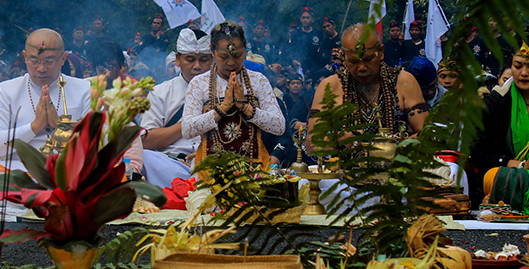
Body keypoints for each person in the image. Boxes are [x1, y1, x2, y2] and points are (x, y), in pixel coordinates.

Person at [306, 24, 427, 155]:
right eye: (353, 61)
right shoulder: (330, 87)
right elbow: (311, 144)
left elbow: (427, 135)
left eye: (368, 59)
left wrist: (397, 146)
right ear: (344, 57)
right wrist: (338, 139)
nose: (362, 67)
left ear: (381, 52)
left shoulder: (403, 82)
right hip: (346, 172)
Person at [0, 28, 91, 172]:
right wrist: (34, 127)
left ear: (63, 59)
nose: (41, 68)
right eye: (34, 61)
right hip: (19, 172)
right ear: (25, 57)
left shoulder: (84, 90)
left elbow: (101, 144)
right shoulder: (8, 92)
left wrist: (59, 126)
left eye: (49, 61)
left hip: (69, 171)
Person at [473, 26, 529, 218]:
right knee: (500, 178)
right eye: (518, 66)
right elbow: (478, 152)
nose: (524, 73)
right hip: (511, 176)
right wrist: (520, 164)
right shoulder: (495, 103)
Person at [182, 21, 285, 167]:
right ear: (212, 51)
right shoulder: (199, 83)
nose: (231, 62)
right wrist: (223, 108)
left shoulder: (258, 80)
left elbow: (279, 126)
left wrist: (246, 107)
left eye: (237, 55)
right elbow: (187, 130)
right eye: (224, 57)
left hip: (254, 169)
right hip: (210, 169)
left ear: (245, 49)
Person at [141, 28, 212, 187]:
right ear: (178, 59)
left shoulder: (224, 92)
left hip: (212, 166)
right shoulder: (161, 92)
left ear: (213, 59)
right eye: (190, 59)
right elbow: (146, 140)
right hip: (172, 166)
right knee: (144, 156)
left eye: (204, 59)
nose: (197, 66)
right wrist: (189, 123)